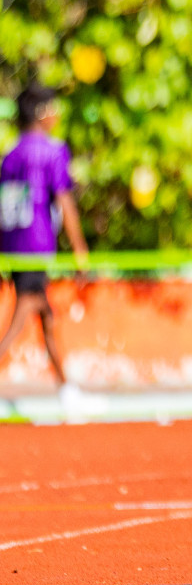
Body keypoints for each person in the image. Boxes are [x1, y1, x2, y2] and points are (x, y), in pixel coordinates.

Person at [0, 83, 88, 392]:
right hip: (36, 245)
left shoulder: (9, 155)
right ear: (41, 114)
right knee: (27, 307)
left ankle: (66, 389)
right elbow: (65, 200)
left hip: (12, 245)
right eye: (53, 108)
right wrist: (80, 250)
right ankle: (67, 391)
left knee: (45, 316)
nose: (57, 114)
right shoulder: (53, 151)